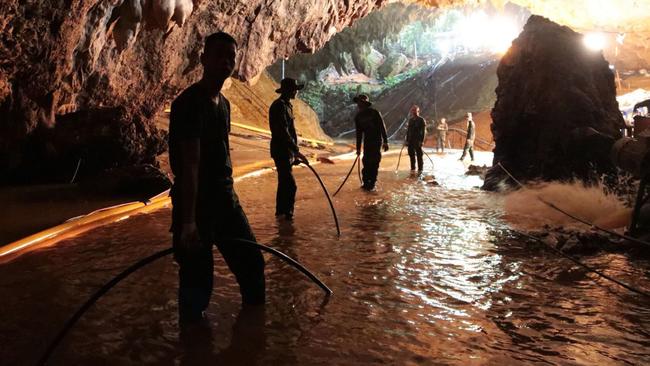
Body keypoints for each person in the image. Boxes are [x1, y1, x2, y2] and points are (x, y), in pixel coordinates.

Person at [168, 32, 265, 323]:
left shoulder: (223, 104)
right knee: (198, 285)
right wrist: (187, 223)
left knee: (252, 265)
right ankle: (193, 346)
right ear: (203, 59)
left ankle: (253, 339)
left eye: (231, 57)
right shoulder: (189, 103)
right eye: (219, 54)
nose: (225, 61)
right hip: (197, 205)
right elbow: (190, 164)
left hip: (225, 200)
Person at [269, 77, 308, 220]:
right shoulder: (279, 106)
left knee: (284, 183)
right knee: (290, 185)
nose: (296, 92)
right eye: (294, 90)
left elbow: (288, 131)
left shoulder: (286, 105)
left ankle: (281, 214)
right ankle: (287, 215)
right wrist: (296, 151)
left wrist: (293, 154)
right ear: (288, 91)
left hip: (286, 151)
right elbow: (282, 132)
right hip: (281, 150)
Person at [354, 94, 389, 190]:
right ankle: (365, 183)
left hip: (377, 141)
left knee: (374, 162)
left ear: (365, 103)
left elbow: (382, 127)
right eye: (358, 102)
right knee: (366, 162)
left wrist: (386, 141)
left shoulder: (375, 113)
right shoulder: (358, 117)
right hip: (367, 142)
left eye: (360, 102)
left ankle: (372, 183)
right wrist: (358, 148)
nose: (358, 104)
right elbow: (359, 134)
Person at [404, 105, 426, 172]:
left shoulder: (421, 120)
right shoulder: (410, 120)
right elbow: (408, 131)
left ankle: (420, 169)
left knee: (419, 155)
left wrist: (421, 141)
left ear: (418, 111)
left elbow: (423, 132)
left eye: (415, 110)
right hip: (411, 141)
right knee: (411, 155)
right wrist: (407, 141)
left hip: (418, 140)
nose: (414, 112)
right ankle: (413, 169)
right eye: (413, 110)